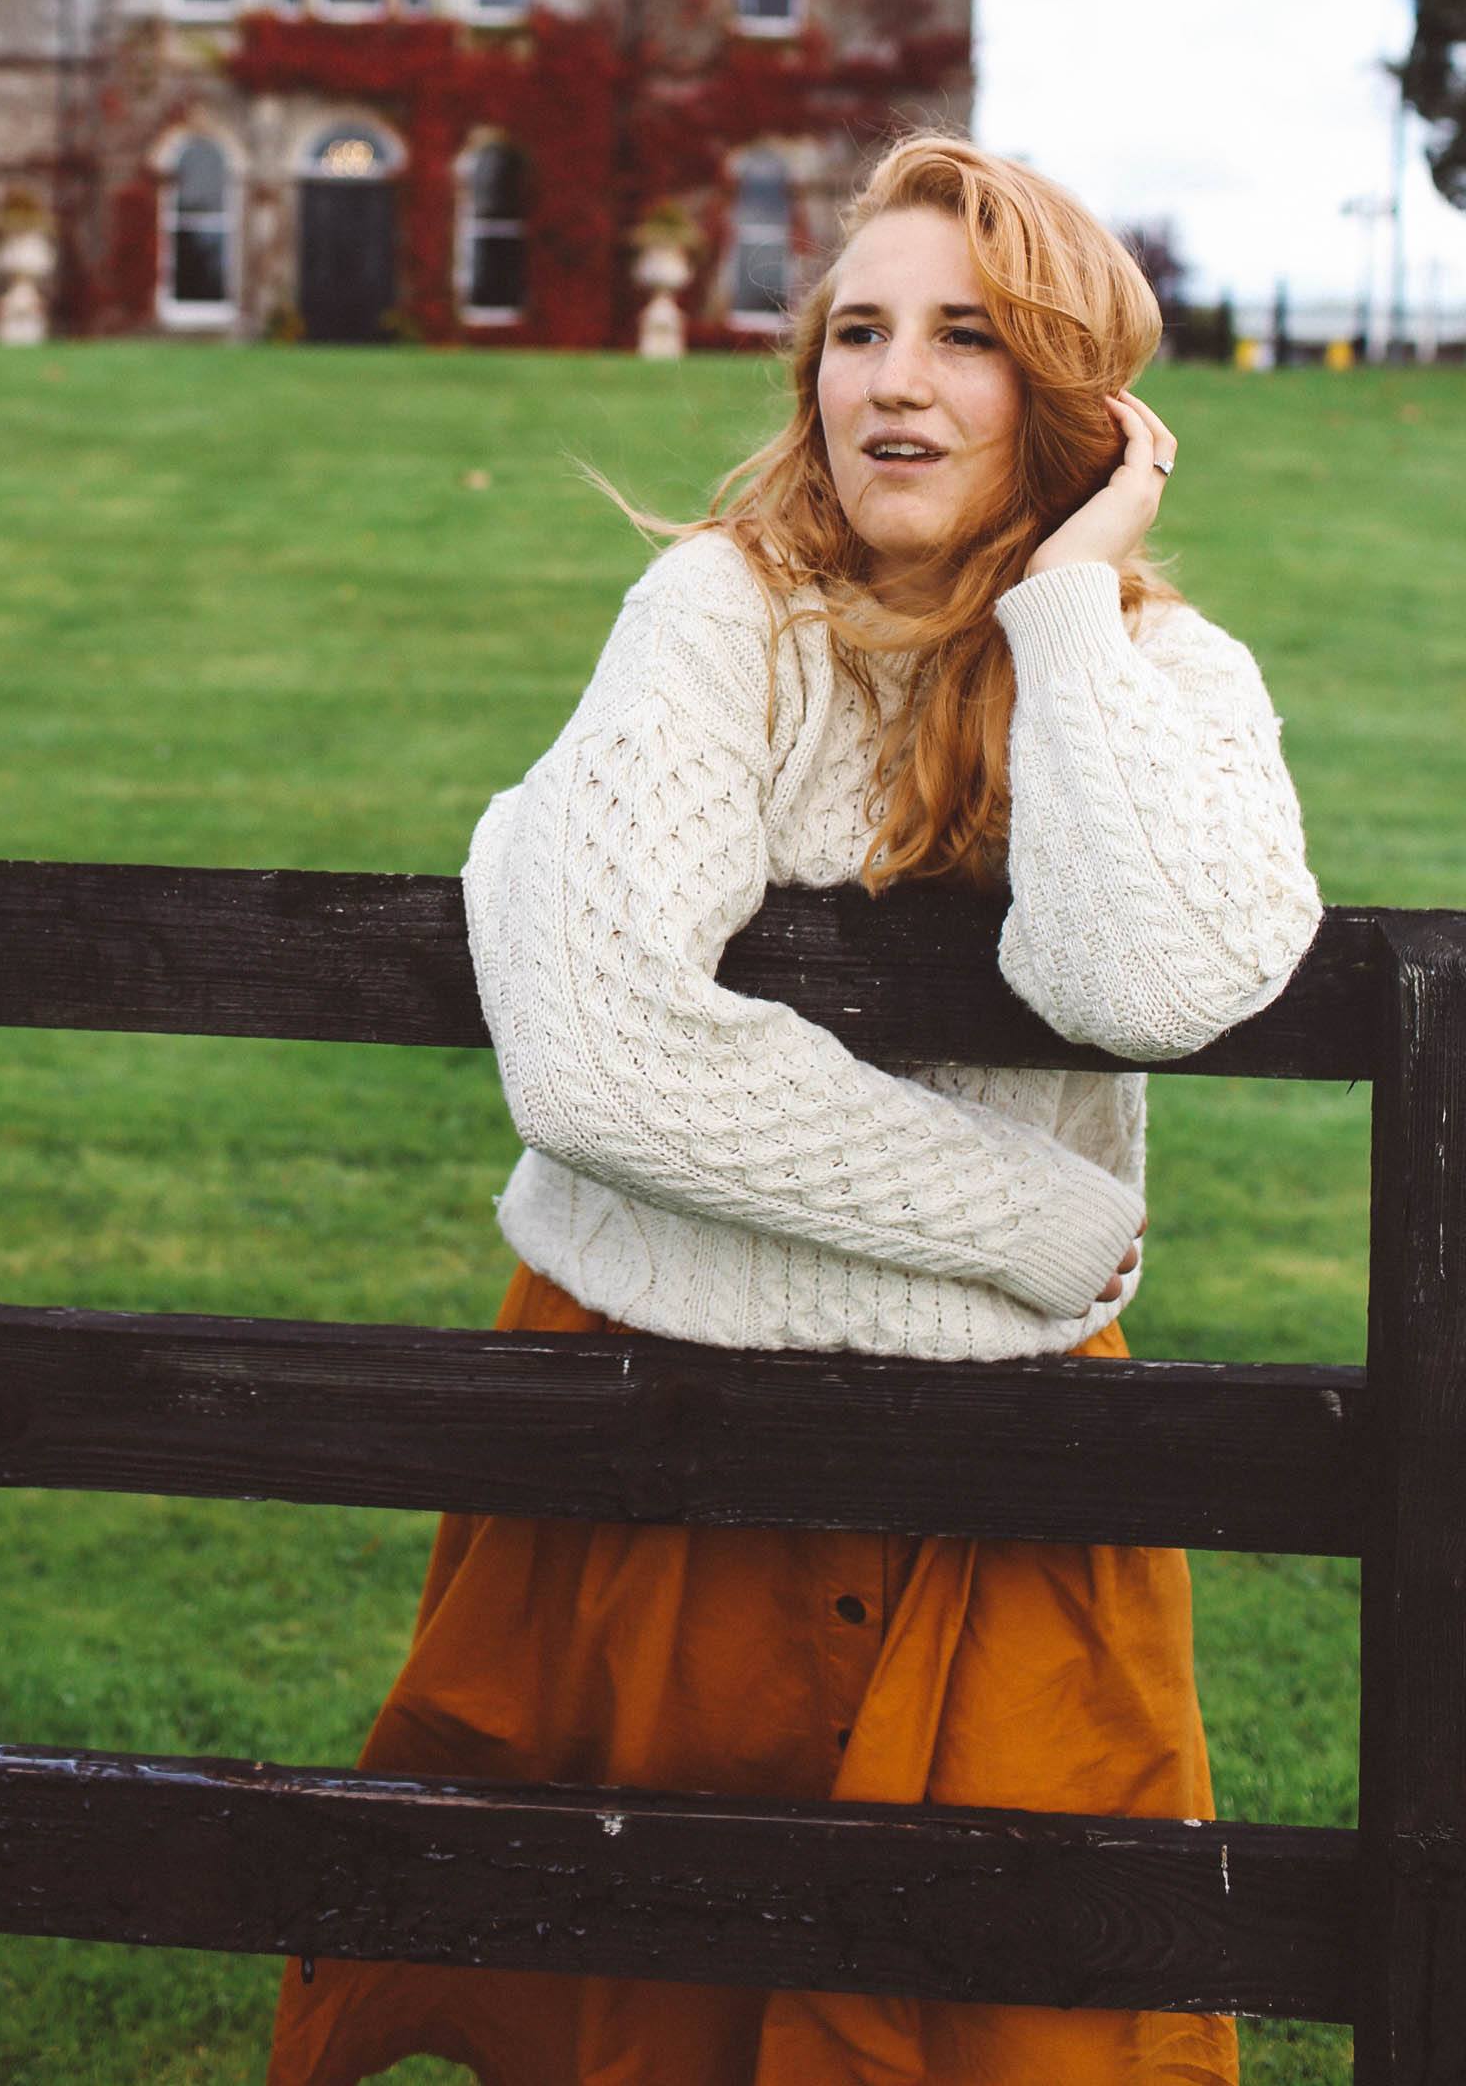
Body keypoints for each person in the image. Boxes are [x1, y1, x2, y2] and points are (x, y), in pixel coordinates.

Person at [264, 132, 1323, 2086]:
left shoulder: (1167, 674)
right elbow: (601, 1060)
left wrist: (1065, 612)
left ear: (1077, 400)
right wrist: (1026, 1222)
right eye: (857, 331)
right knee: (650, 2003)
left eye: (967, 338)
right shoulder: (719, 615)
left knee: (1005, 2013)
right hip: (658, 1417)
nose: (892, 383)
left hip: (999, 1473)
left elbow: (1150, 986)